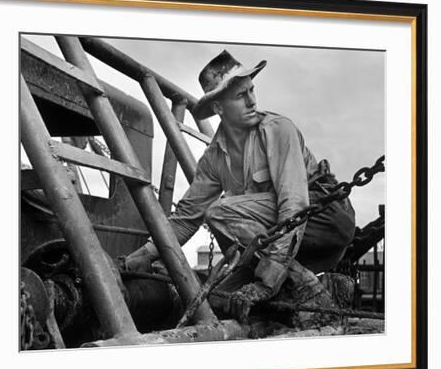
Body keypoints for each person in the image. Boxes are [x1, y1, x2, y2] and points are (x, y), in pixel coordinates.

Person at [124, 50, 356, 323]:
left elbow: (294, 206)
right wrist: (144, 254)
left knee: (221, 212)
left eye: (252, 90)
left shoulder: (278, 129)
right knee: (218, 301)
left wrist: (267, 283)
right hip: (277, 243)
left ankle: (306, 290)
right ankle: (328, 288)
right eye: (240, 95)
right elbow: (187, 219)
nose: (252, 101)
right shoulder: (213, 159)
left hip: (324, 220)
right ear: (219, 108)